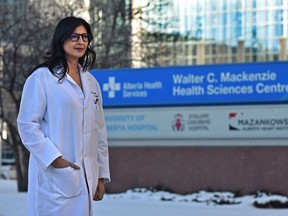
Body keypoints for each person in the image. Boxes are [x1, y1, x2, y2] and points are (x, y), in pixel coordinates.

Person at [17, 16, 110, 216]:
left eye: (85, 37)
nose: (81, 42)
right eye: (74, 36)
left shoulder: (91, 82)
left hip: (85, 178)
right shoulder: (42, 78)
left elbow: (99, 131)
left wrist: (101, 174)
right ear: (61, 39)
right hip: (54, 178)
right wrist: (55, 159)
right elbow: (27, 125)